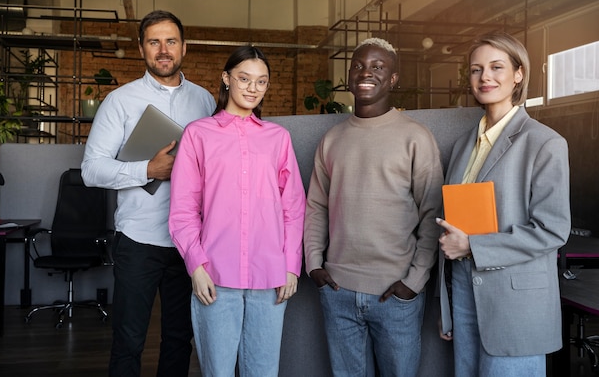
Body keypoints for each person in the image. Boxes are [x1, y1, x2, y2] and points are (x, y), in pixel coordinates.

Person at [81, 10, 216, 377]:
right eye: (154, 42)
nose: (163, 50)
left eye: (171, 41)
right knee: (128, 340)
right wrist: (147, 170)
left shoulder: (205, 102)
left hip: (189, 243)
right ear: (142, 49)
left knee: (178, 339)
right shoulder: (120, 101)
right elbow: (91, 170)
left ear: (184, 47)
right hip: (138, 240)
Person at [304, 37, 444, 377]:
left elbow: (432, 214)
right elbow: (316, 207)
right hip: (337, 291)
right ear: (350, 76)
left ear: (393, 79)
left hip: (395, 294)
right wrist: (314, 265)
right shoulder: (332, 139)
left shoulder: (416, 137)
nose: (366, 72)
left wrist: (415, 279)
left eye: (378, 67)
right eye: (358, 66)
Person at [437, 31, 570, 376]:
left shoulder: (544, 143)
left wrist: (472, 245)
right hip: (465, 289)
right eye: (476, 70)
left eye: (497, 67)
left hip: (514, 300)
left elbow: (552, 230)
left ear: (519, 73)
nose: (485, 77)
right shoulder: (464, 144)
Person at [168, 46, 306, 377]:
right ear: (227, 79)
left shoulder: (278, 138)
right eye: (244, 79)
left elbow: (294, 207)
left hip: (270, 276)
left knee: (263, 370)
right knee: (218, 371)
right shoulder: (198, 135)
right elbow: (183, 209)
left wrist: (291, 266)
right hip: (215, 275)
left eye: (262, 82)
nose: (252, 88)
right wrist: (196, 266)